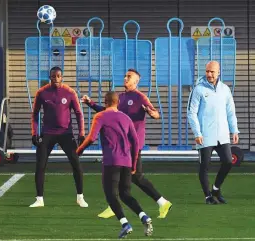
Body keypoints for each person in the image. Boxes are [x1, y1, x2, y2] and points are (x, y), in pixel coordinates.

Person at [81, 68, 172, 218]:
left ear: (136, 81)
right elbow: (106, 111)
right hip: (122, 146)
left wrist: (150, 112)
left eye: (129, 77)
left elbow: (156, 114)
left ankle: (162, 202)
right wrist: (90, 103)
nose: (125, 78)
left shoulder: (140, 97)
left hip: (133, 146)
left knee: (134, 177)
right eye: (125, 76)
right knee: (124, 178)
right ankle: (116, 206)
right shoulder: (120, 97)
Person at [77, 91, 153, 238]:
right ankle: (144, 216)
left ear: (105, 102)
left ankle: (125, 224)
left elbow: (92, 137)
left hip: (112, 161)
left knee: (111, 195)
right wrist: (134, 163)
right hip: (126, 161)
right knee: (125, 194)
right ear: (118, 102)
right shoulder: (126, 118)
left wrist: (79, 150)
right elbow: (136, 142)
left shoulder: (100, 116)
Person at [29, 66, 88, 208]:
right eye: (53, 76)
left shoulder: (69, 92)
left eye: (58, 76)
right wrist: (34, 133)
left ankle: (80, 197)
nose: (56, 78)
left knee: (76, 164)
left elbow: (79, 114)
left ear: (62, 77)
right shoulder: (42, 93)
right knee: (40, 165)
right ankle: (39, 199)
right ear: (49, 77)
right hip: (47, 134)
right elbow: (35, 114)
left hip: (66, 134)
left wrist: (81, 133)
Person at [187, 61, 240, 204]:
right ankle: (207, 196)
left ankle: (216, 189)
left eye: (212, 72)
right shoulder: (198, 89)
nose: (209, 74)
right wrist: (197, 133)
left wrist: (234, 130)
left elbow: (230, 111)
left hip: (222, 134)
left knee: (228, 162)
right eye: (207, 71)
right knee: (205, 166)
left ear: (219, 72)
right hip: (205, 135)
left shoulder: (225, 89)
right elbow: (191, 113)